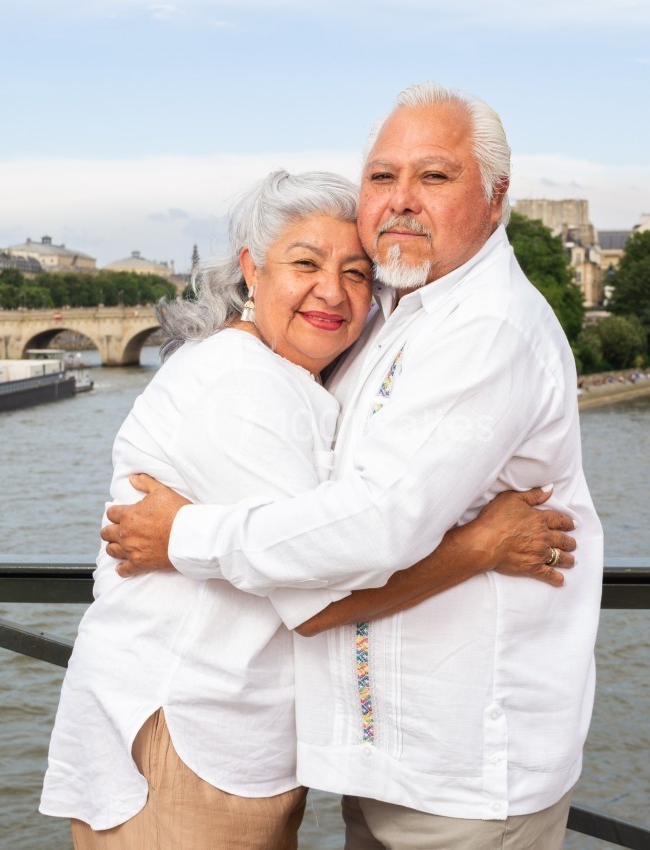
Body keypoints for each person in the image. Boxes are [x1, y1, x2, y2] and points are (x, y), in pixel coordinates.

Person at [105, 82, 603, 849]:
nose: (401, 199)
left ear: (496, 196)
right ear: (253, 269)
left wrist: (182, 536)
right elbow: (332, 556)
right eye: (382, 176)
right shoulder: (387, 315)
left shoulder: (484, 328)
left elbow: (375, 525)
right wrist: (479, 546)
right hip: (355, 757)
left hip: (459, 771)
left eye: (434, 176)